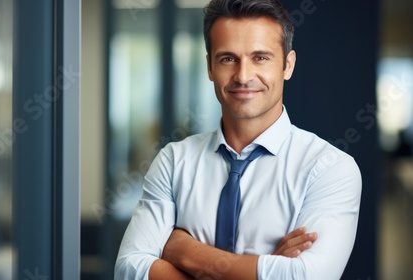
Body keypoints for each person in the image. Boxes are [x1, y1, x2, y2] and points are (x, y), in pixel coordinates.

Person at [115, 0, 362, 279]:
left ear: (288, 65)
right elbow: (128, 269)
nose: (243, 76)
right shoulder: (173, 162)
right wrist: (263, 267)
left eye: (261, 58)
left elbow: (306, 276)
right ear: (209, 67)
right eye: (228, 59)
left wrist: (183, 250)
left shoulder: (330, 169)